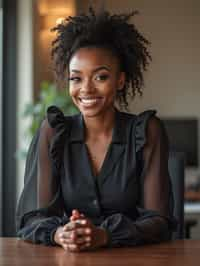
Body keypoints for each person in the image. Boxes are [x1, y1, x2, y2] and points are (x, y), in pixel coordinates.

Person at [16, 8, 176, 252]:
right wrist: (61, 234)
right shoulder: (53, 131)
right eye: (76, 78)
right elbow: (32, 218)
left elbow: (159, 222)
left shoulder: (146, 131)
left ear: (120, 81)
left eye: (100, 77)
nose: (86, 89)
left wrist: (105, 235)